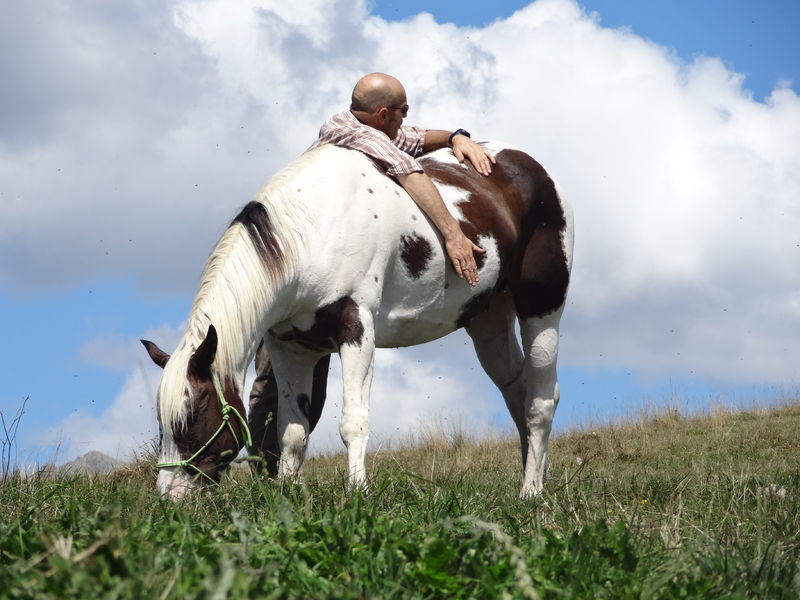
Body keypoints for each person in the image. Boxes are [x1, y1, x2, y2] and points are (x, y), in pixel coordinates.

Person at [248, 73, 495, 474]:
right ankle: (264, 472)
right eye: (403, 111)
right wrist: (453, 235)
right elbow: (409, 170)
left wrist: (455, 137)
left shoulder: (356, 126)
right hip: (305, 287)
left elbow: (412, 138)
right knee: (273, 385)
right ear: (382, 114)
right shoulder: (363, 138)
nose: (407, 119)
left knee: (297, 389)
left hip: (311, 281)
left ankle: (279, 478)